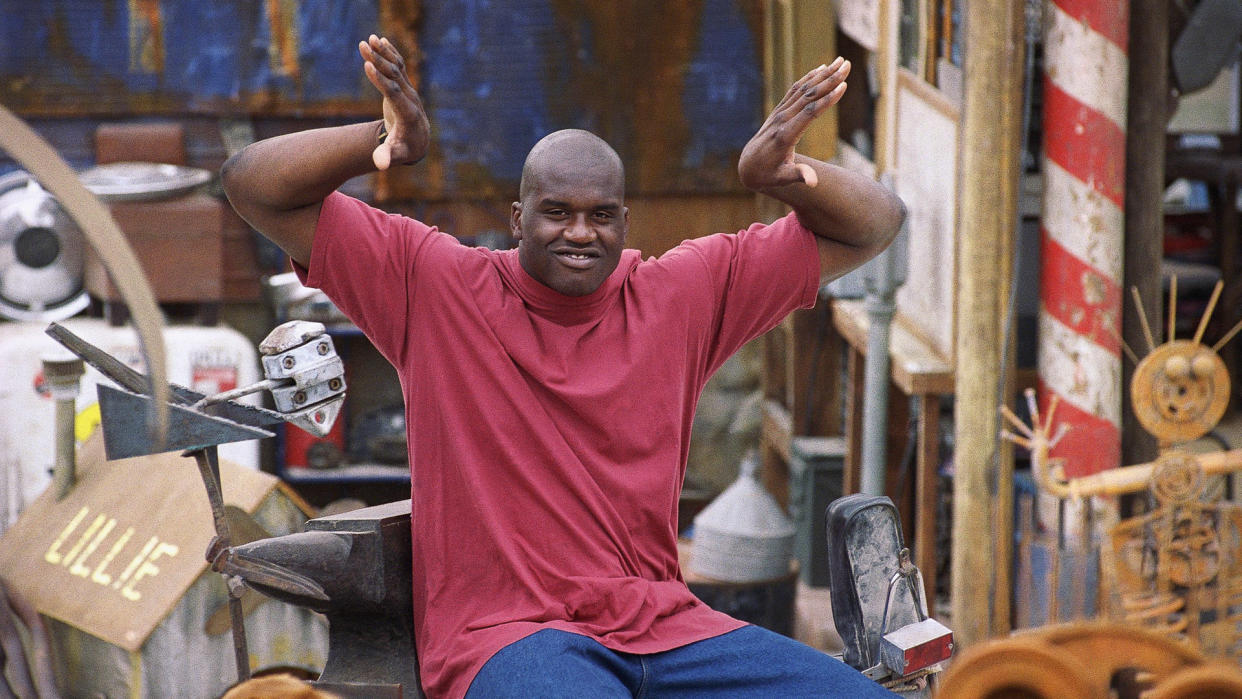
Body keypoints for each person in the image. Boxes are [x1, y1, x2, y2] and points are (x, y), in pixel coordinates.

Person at [222, 34, 904, 699]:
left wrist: (785, 179)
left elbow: (874, 222)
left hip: (668, 628)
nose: (581, 232)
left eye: (601, 215)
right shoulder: (432, 285)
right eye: (557, 212)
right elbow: (253, 185)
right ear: (517, 219)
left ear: (626, 222)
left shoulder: (681, 294)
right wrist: (378, 142)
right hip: (511, 638)